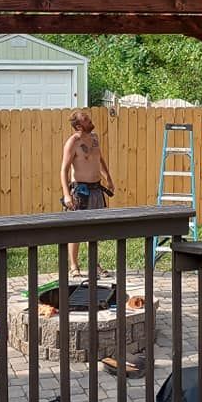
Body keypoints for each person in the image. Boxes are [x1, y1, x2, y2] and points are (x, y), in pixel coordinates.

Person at [60, 110, 115, 277]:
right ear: (78, 125)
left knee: (94, 229)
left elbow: (100, 159)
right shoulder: (73, 142)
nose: (90, 121)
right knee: (76, 230)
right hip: (80, 191)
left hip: (96, 190)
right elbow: (64, 170)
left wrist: (109, 179)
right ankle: (74, 266)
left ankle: (94, 264)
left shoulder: (95, 138)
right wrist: (67, 195)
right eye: (86, 120)